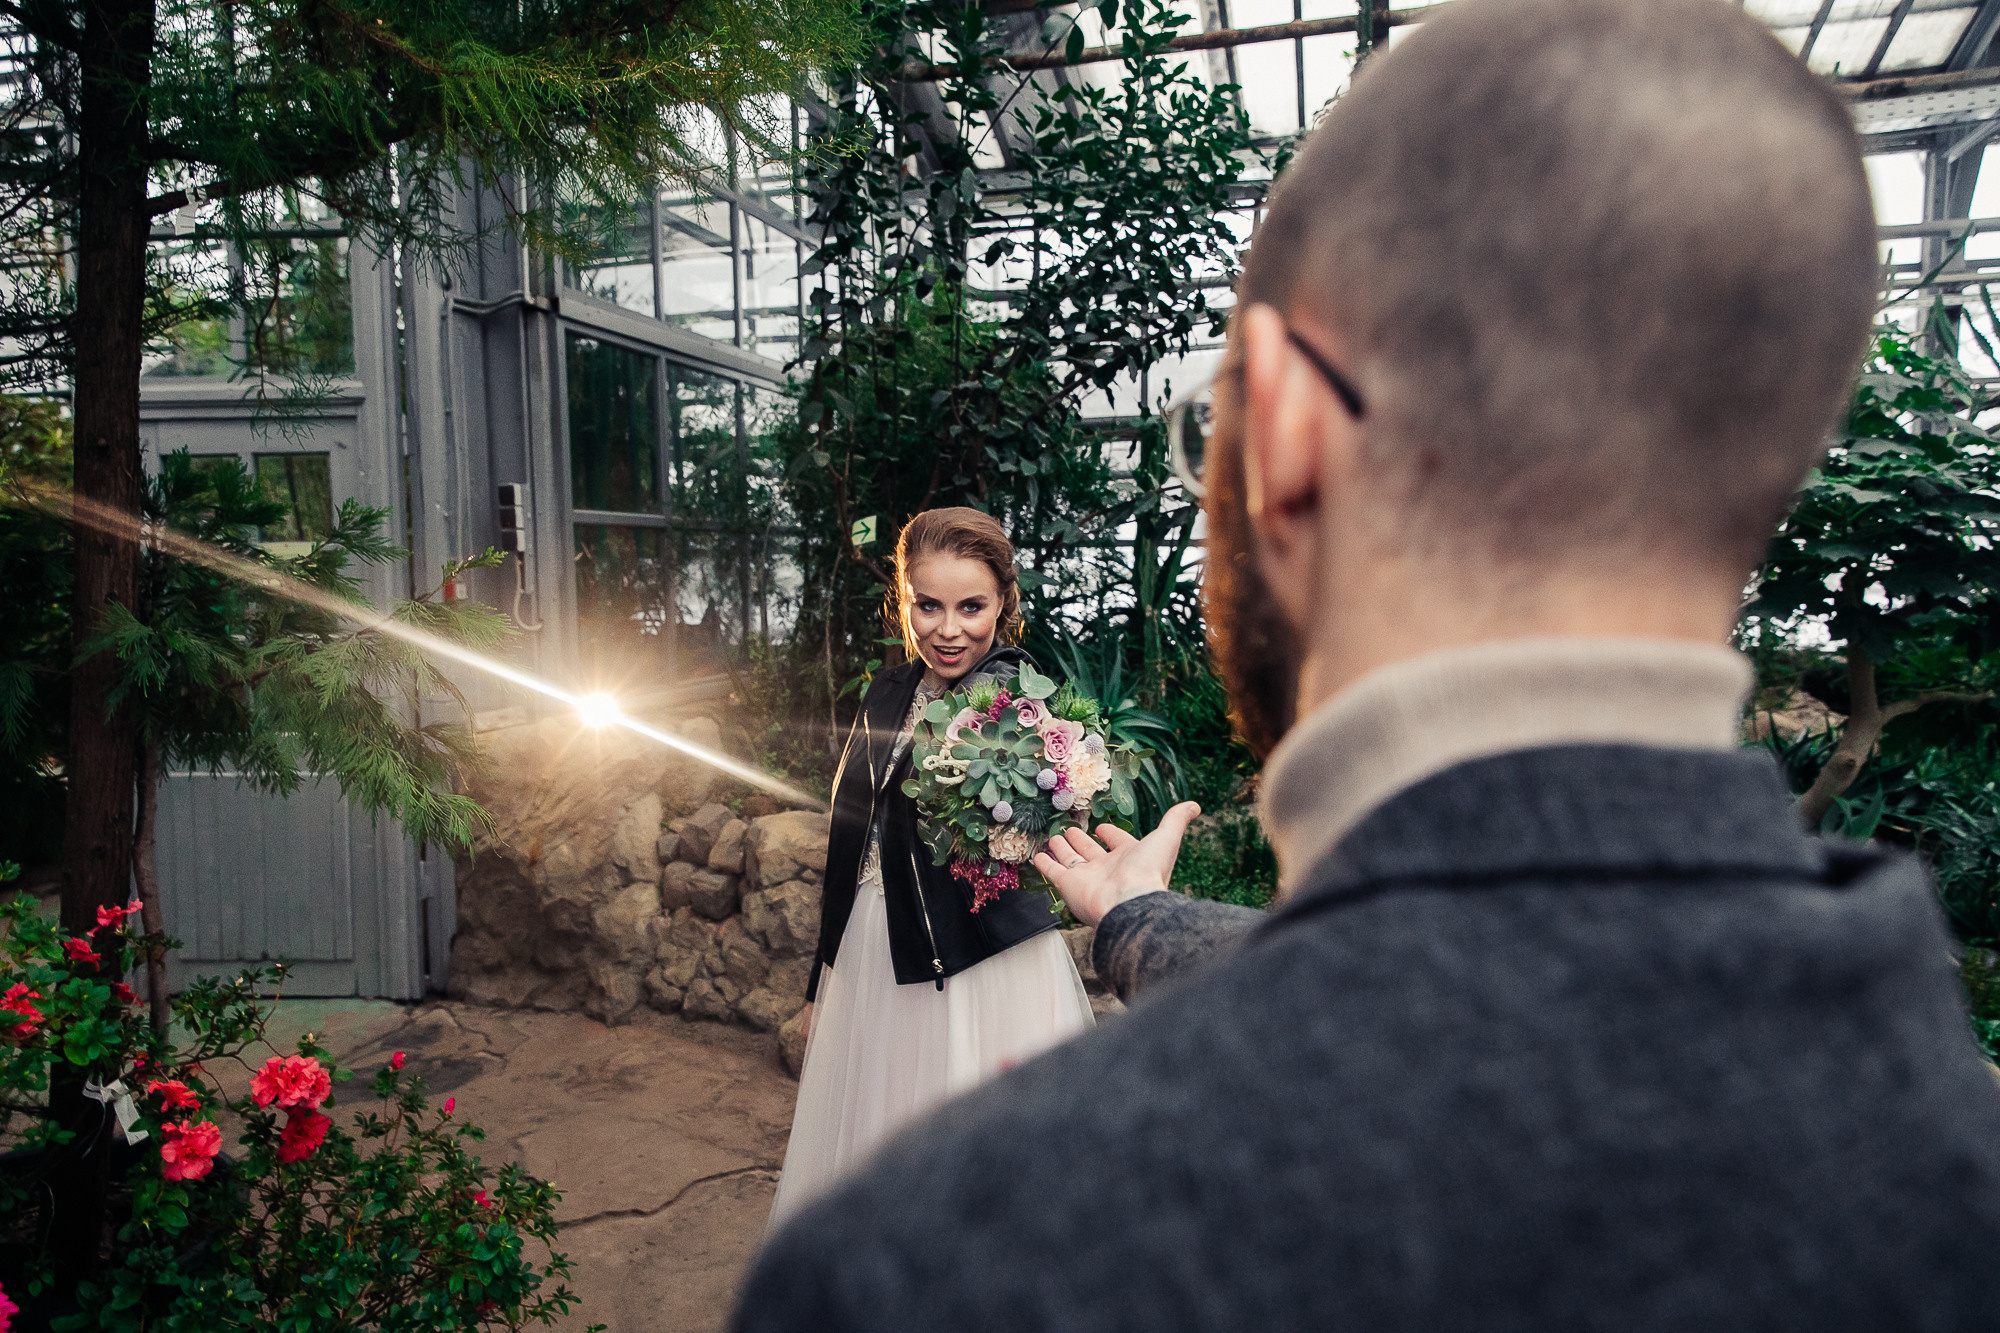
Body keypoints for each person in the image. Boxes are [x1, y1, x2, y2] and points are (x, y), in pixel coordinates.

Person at [735, 0, 2000, 1327]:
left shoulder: (916, 1268)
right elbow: (1506, 997)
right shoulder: (1953, 1181)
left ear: (1283, 435)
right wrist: (1137, 923)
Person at [763, 507, 1094, 1228]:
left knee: (971, 1165)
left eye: (971, 606)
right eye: (928, 605)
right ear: (903, 601)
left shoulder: (1015, 703)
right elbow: (848, 843)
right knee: (876, 1148)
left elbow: (1043, 826)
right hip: (875, 951)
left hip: (979, 964)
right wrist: (822, 981)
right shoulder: (887, 692)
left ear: (1003, 603)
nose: (948, 630)